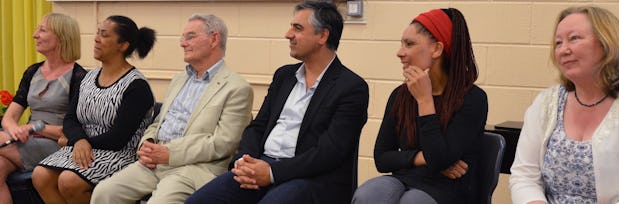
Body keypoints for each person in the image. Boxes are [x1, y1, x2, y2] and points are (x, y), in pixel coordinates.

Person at [185, 1, 369, 204]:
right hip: (261, 168)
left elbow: (329, 152)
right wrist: (245, 162)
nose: (288, 34)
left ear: (323, 36)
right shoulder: (284, 76)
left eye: (297, 28)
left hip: (310, 179)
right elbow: (258, 127)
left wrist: (272, 172)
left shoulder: (351, 87)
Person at [90, 14, 253, 204]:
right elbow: (159, 122)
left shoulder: (236, 88)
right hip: (155, 163)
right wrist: (147, 143)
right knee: (104, 193)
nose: (183, 44)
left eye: (190, 37)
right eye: (183, 38)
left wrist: (170, 153)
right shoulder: (179, 79)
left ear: (214, 39)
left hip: (194, 168)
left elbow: (223, 144)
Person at [351, 8, 488, 204]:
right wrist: (424, 157)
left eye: (409, 44)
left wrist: (425, 101)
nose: (400, 53)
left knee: (413, 202)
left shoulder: (473, 99)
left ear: (437, 49)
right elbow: (382, 158)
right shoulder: (400, 95)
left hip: (450, 189)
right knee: (369, 194)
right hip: (405, 178)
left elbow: (439, 159)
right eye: (402, 44)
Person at [510, 6, 619, 204]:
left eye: (574, 38)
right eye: (558, 43)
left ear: (607, 43)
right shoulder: (546, 103)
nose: (564, 50)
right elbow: (523, 176)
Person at [31, 15, 156, 203]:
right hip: (83, 146)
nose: (96, 38)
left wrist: (79, 142)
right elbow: (71, 118)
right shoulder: (88, 77)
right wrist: (79, 140)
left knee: (69, 181)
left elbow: (118, 138)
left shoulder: (137, 86)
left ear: (122, 45)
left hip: (118, 153)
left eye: (104, 35)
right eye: (97, 33)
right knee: (40, 176)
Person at [0, 13, 86, 204]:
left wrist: (33, 128)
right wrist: (14, 130)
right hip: (24, 141)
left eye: (42, 30)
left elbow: (76, 132)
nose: (34, 35)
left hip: (56, 145)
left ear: (61, 36)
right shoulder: (32, 71)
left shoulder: (79, 77)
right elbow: (10, 117)